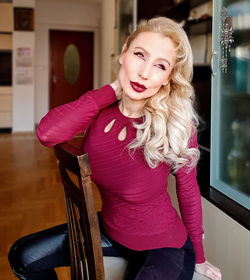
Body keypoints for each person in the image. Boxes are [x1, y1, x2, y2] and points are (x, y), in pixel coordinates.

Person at [8, 17, 222, 280]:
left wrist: (199, 257)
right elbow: (47, 133)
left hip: (164, 246)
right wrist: (111, 90)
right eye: (139, 55)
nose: (144, 72)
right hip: (110, 232)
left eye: (160, 65)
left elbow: (188, 192)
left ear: (167, 78)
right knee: (23, 257)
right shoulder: (101, 112)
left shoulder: (175, 126)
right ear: (124, 53)